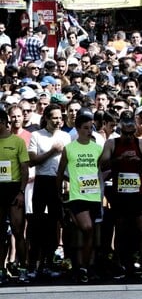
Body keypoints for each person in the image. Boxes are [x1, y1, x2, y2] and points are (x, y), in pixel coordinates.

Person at [98, 111, 142, 279]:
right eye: (126, 133)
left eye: (132, 133)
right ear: (120, 130)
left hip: (137, 193)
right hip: (119, 193)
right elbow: (102, 165)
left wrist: (140, 159)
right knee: (120, 229)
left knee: (141, 229)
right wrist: (119, 158)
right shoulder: (111, 143)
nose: (129, 137)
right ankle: (119, 263)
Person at [56, 108, 103, 283]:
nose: (89, 131)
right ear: (77, 129)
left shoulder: (98, 148)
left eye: (91, 127)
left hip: (93, 195)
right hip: (76, 196)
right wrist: (59, 192)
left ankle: (84, 267)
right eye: (85, 127)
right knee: (87, 228)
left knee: (89, 233)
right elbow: (60, 172)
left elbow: (99, 171)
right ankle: (81, 265)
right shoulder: (69, 149)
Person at [27, 104, 72, 280]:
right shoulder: (36, 136)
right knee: (37, 224)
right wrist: (53, 151)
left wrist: (67, 182)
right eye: (54, 117)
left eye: (60, 117)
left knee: (54, 225)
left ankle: (48, 263)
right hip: (41, 182)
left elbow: (67, 162)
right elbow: (32, 161)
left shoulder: (66, 136)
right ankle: (32, 265)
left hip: (57, 182)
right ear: (46, 117)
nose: (58, 121)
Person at [0, 109, 30, 284]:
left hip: (13, 189)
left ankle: (23, 268)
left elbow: (25, 168)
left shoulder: (17, 142)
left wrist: (21, 191)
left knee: (18, 231)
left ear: (4, 122)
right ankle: (2, 270)